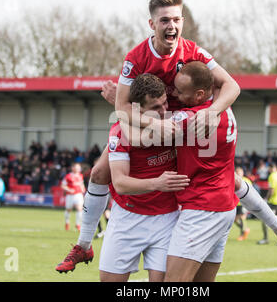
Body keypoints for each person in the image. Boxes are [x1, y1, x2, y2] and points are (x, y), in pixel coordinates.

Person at [57, 0, 241, 271]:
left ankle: (274, 226)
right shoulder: (136, 57)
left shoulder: (193, 51)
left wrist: (211, 112)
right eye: (165, 20)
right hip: (151, 122)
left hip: (183, 126)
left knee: (228, 179)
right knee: (98, 173)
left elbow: (232, 86)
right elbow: (121, 108)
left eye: (177, 19)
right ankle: (83, 244)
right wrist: (156, 123)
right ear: (151, 24)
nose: (172, 26)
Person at [164, 62, 277, 282]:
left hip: (201, 211)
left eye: (180, 91)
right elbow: (228, 85)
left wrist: (120, 103)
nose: (174, 94)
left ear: (199, 95)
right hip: (223, 207)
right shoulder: (225, 108)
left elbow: (143, 130)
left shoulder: (191, 119)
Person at [56, 74, 189, 280]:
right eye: (156, 108)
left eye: (165, 103)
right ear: (137, 110)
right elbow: (120, 184)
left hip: (168, 219)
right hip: (128, 217)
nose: (164, 111)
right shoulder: (120, 131)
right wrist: (157, 183)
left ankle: (84, 244)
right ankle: (84, 244)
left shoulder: (176, 121)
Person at [258, 163, 277, 245]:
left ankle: (265, 239)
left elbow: (271, 190)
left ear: (270, 168)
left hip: (274, 201)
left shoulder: (272, 176)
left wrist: (266, 199)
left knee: (265, 219)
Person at [60, 163, 86, 231]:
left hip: (78, 194)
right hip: (70, 195)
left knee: (80, 209)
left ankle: (78, 224)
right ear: (73, 168)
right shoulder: (68, 176)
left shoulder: (80, 175)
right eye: (77, 167)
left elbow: (81, 184)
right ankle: (67, 222)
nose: (78, 169)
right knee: (69, 209)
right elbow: (62, 185)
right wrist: (69, 189)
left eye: (79, 168)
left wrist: (83, 189)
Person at [234, 167, 251, 241]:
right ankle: (246, 230)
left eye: (239, 172)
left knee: (242, 217)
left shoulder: (246, 180)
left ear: (242, 173)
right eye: (237, 172)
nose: (238, 174)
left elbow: (251, 192)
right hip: (236, 203)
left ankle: (242, 234)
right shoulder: (233, 180)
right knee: (235, 220)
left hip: (243, 203)